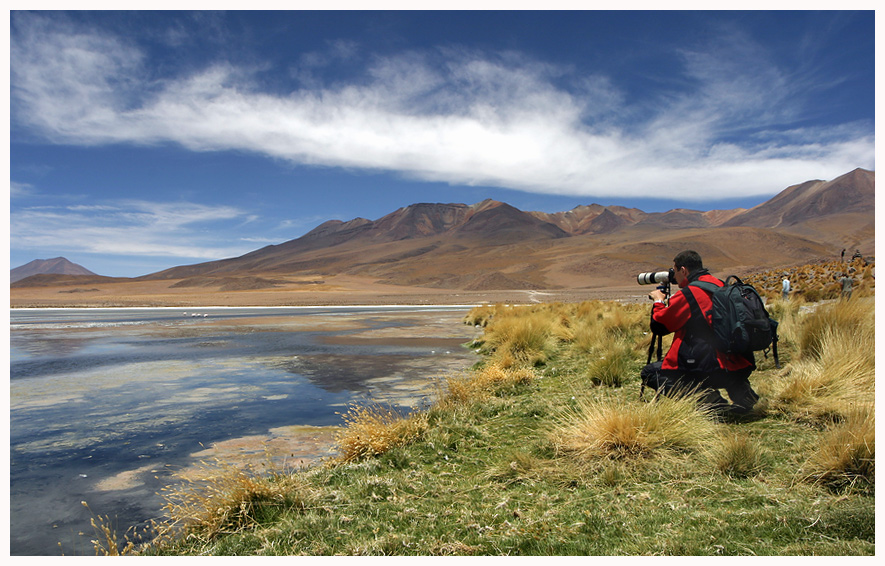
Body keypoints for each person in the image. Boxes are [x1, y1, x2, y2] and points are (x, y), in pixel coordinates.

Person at [640, 250, 758, 416]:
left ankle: (709, 401)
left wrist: (659, 301)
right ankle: (742, 392)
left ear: (683, 270)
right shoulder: (720, 285)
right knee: (716, 353)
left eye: (675, 271)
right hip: (740, 364)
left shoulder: (690, 293)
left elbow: (660, 326)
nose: (674, 277)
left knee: (651, 373)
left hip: (709, 368)